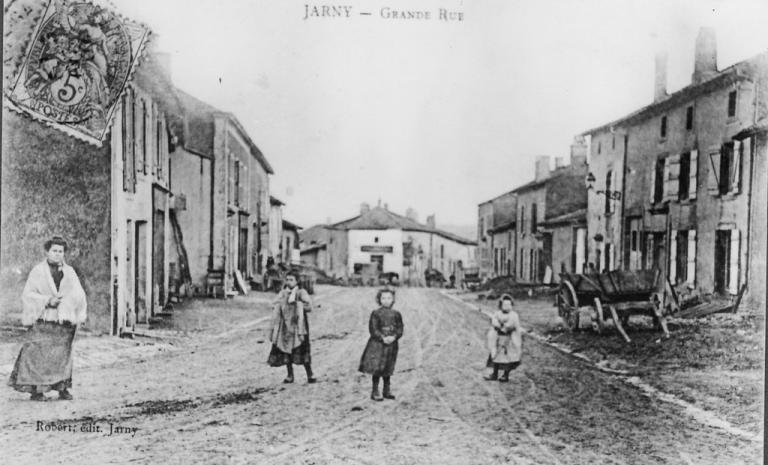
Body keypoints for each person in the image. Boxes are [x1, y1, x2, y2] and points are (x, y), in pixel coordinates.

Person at [8, 236, 87, 400]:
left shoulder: (69, 272)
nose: (58, 254)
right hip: (45, 319)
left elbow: (78, 294)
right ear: (47, 252)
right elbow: (28, 295)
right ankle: (37, 390)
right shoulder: (38, 271)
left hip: (64, 321)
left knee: (63, 355)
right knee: (38, 354)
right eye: (54, 251)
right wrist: (47, 300)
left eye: (61, 251)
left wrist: (66, 304)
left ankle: (62, 387)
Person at [267, 270, 316, 384]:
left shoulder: (300, 292)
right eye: (287, 280)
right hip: (285, 326)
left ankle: (310, 374)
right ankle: (290, 375)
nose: (289, 282)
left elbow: (309, 306)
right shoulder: (283, 293)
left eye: (291, 280)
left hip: (298, 326)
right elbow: (274, 303)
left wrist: (298, 305)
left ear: (297, 281)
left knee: (302, 348)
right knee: (286, 350)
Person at [359, 288, 404, 401]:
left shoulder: (396, 314)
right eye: (383, 298)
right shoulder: (376, 314)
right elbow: (373, 329)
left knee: (388, 366)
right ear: (379, 299)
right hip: (378, 345)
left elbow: (400, 329)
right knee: (378, 367)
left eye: (389, 298)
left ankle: (386, 390)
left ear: (393, 299)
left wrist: (394, 337)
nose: (386, 300)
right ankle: (375, 391)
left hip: (391, 345)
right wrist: (382, 338)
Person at [484, 294, 522, 382]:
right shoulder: (497, 313)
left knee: (508, 358)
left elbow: (511, 324)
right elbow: (494, 321)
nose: (506, 307)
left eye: (509, 305)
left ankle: (505, 375)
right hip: (498, 338)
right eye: (504, 305)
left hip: (509, 339)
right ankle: (494, 374)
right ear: (500, 305)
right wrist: (498, 325)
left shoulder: (513, 315)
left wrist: (504, 327)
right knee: (496, 356)